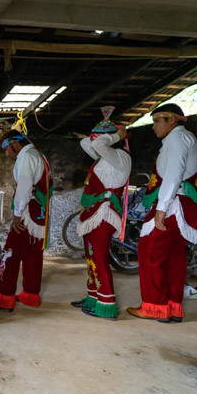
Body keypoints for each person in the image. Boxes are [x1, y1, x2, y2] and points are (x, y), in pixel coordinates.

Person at [127, 103, 197, 322]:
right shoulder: (182, 138)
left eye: (157, 121)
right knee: (174, 256)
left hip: (173, 204)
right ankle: (172, 306)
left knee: (150, 251)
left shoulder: (178, 139)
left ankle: (154, 306)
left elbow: (173, 175)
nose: (154, 127)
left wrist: (161, 208)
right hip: (180, 203)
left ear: (172, 119)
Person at [70, 106, 131, 320]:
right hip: (94, 212)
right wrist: (103, 132)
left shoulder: (119, 157)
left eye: (101, 139)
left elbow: (96, 144)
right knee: (91, 256)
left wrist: (115, 135)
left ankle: (106, 302)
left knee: (100, 256)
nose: (95, 145)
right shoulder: (105, 158)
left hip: (104, 213)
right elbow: (86, 143)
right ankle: (94, 296)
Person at [0, 128, 52, 313]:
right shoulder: (39, 154)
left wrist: (17, 214)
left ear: (15, 145)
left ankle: (4, 299)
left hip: (27, 216)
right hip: (40, 215)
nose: (6, 154)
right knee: (33, 257)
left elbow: (24, 187)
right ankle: (30, 295)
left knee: (9, 255)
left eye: (7, 149)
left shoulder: (25, 157)